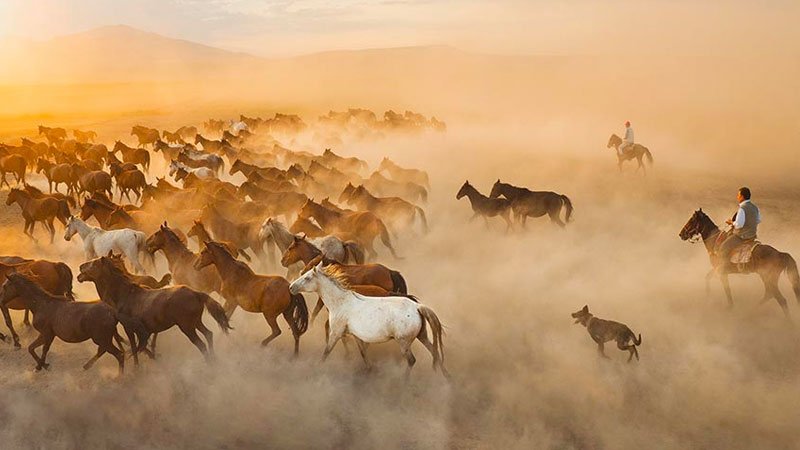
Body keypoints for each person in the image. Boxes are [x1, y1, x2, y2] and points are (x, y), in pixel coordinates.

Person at [716, 187, 761, 266]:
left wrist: (731, 222)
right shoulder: (755, 208)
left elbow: (739, 225)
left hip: (741, 236)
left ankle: (724, 268)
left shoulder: (742, 209)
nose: (737, 197)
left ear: (742, 197)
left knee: (723, 248)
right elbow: (758, 220)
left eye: (738, 195)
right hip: (752, 235)